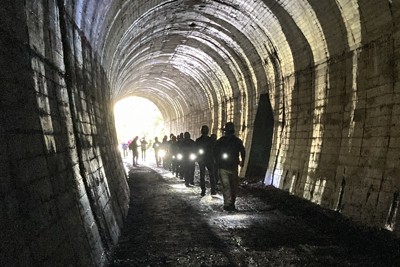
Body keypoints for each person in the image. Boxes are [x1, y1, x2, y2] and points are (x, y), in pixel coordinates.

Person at [214, 122, 245, 211]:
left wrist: (243, 160)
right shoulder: (221, 141)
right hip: (225, 167)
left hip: (231, 167)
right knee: (227, 185)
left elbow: (243, 151)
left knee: (232, 186)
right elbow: (215, 152)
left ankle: (231, 203)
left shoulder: (233, 141)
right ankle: (228, 203)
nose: (228, 133)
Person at [195, 125, 216, 196]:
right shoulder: (209, 140)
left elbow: (214, 149)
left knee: (208, 175)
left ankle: (210, 190)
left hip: (207, 159)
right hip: (205, 159)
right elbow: (195, 150)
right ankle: (205, 190)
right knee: (207, 175)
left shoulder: (208, 140)